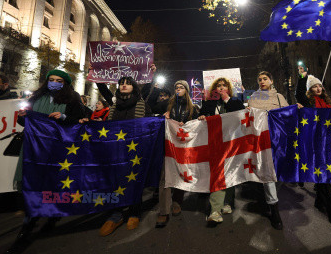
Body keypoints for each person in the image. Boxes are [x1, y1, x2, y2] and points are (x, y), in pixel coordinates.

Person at [7, 70, 86, 253]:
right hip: (33, 149)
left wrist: (65, 118)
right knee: (31, 183)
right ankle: (28, 225)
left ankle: (52, 214)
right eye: (51, 80)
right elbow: (25, 123)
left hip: (56, 149)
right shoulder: (36, 97)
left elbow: (79, 123)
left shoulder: (73, 100)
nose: (54, 83)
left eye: (59, 81)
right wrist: (22, 117)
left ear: (65, 84)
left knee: (52, 183)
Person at [91, 76, 150, 236]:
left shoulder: (141, 103)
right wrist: (95, 76)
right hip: (115, 149)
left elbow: (149, 124)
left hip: (135, 150)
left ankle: (134, 212)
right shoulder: (114, 103)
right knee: (115, 180)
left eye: (128, 83)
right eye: (122, 83)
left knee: (133, 179)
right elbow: (103, 90)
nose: (124, 85)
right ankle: (116, 215)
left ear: (134, 87)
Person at [295, 74, 331, 229]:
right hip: (313, 143)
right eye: (314, 86)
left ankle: (319, 202)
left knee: (322, 176)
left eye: (319, 86)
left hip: (328, 143)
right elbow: (298, 94)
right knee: (324, 177)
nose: (318, 88)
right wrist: (302, 77)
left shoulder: (327, 102)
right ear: (310, 89)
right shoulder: (308, 102)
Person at [198, 77, 244, 227]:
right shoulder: (209, 103)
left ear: (229, 89)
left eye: (224, 86)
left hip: (232, 143)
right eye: (218, 86)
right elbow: (201, 117)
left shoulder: (235, 101)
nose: (221, 88)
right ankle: (215, 211)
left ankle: (228, 202)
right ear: (214, 90)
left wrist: (227, 99)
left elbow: (240, 114)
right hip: (215, 143)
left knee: (230, 172)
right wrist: (202, 117)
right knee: (218, 173)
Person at [247, 71, 288, 230]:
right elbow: (248, 117)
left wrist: (296, 108)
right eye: (259, 79)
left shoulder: (280, 97)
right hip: (261, 141)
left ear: (271, 80)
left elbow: (287, 116)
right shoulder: (254, 98)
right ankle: (274, 209)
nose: (262, 81)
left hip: (278, 140)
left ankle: (268, 198)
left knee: (280, 173)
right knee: (268, 173)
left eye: (265, 79)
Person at [156, 80, 199, 228]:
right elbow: (151, 107)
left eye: (181, 87)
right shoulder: (168, 104)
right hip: (168, 145)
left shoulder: (192, 107)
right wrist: (164, 116)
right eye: (176, 87)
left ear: (186, 90)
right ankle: (163, 210)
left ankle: (177, 201)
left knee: (181, 173)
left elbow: (197, 125)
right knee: (165, 175)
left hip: (184, 146)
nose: (178, 89)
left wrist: (190, 122)